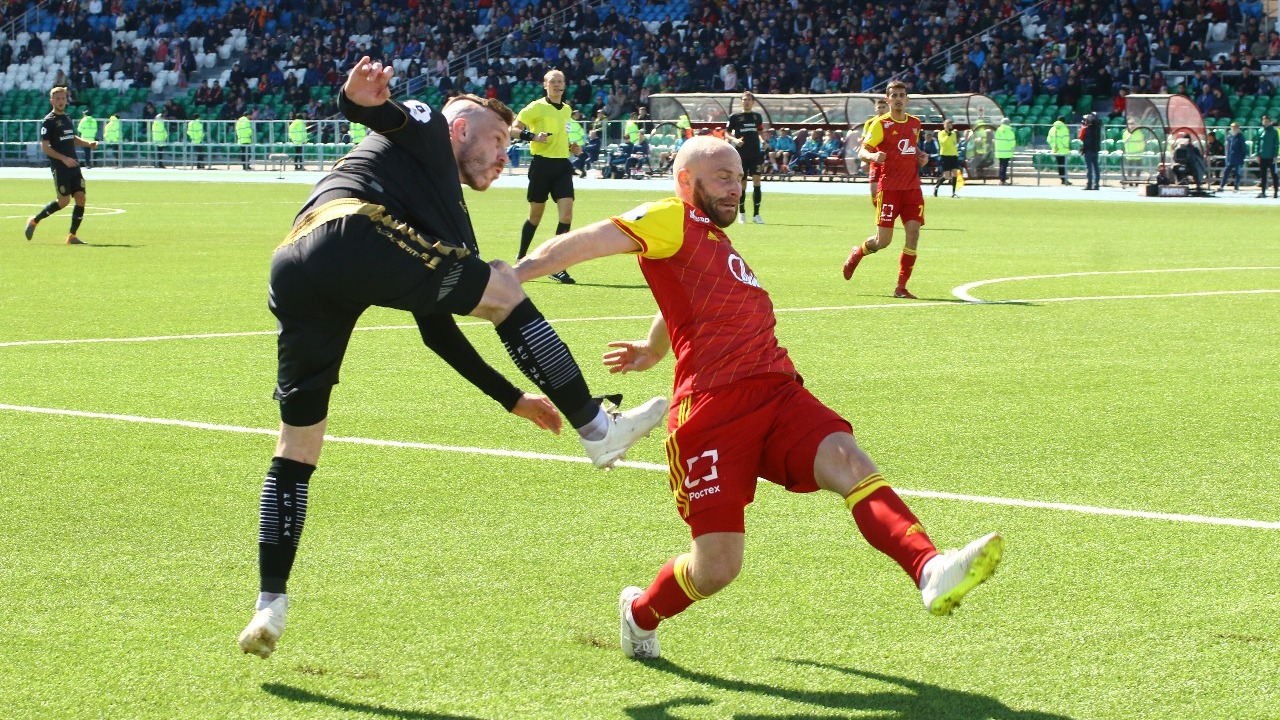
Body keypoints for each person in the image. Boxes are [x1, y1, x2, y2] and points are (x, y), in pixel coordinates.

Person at [235, 57, 668, 661]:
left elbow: (437, 331)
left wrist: (512, 398)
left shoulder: (424, 207)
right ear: (460, 128)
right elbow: (384, 113)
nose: (505, 156)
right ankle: (598, 428)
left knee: (298, 444)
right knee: (502, 283)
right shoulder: (432, 129)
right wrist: (356, 98)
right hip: (352, 234)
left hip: (296, 265)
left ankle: (269, 604)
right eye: (498, 141)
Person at [511, 136, 1003, 660]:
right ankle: (640, 614)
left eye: (740, 178)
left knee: (848, 460)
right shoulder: (669, 216)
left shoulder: (710, 240)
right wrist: (514, 274)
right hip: (711, 412)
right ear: (685, 181)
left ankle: (928, 568)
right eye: (723, 177)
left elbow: (687, 296)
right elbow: (590, 240)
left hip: (776, 390)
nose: (736, 188)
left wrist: (653, 349)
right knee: (717, 568)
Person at [842, 81, 929, 299]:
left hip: (912, 189)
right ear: (888, 99)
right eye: (894, 96)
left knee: (913, 234)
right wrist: (873, 156)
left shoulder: (915, 123)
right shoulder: (880, 124)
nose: (898, 99)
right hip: (889, 190)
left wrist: (921, 156)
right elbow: (862, 151)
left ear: (907, 99)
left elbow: (911, 145)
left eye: (902, 95)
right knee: (883, 242)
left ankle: (901, 287)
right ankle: (857, 253)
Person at [510, 69, 580, 284]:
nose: (557, 84)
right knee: (535, 217)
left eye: (560, 81)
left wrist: (571, 147)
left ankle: (556, 265)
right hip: (541, 166)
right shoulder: (536, 107)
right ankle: (521, 258)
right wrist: (532, 136)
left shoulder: (567, 109)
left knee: (566, 216)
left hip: (562, 166)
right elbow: (513, 129)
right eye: (553, 81)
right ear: (545, 85)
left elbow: (563, 136)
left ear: (564, 85)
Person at [25, 87, 98, 245]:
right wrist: (64, 159)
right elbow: (45, 147)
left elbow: (72, 138)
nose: (60, 101)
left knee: (81, 198)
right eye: (57, 99)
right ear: (52, 101)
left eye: (63, 98)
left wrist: (88, 143)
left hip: (74, 165)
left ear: (66, 100)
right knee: (64, 201)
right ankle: (34, 220)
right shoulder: (49, 121)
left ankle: (72, 236)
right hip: (60, 167)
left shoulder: (67, 118)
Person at [725, 90, 765, 224]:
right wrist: (735, 140)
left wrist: (763, 141)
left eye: (748, 99)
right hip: (741, 155)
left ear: (753, 102)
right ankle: (742, 213)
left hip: (755, 154)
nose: (746, 102)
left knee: (757, 182)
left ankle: (756, 214)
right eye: (744, 99)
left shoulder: (757, 117)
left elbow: (760, 131)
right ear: (741, 102)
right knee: (742, 184)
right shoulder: (735, 117)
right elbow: (727, 133)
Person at [859, 98, 890, 204]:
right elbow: (864, 142)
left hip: (890, 160)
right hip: (875, 159)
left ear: (888, 108)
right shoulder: (869, 123)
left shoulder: (893, 121)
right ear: (875, 109)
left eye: (883, 107)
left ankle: (887, 211)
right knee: (874, 191)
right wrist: (864, 160)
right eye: (879, 107)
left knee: (890, 192)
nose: (881, 109)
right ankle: (879, 211)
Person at [934, 118, 962, 195]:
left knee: (955, 173)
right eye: (948, 125)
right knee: (946, 176)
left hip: (953, 155)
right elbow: (944, 142)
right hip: (945, 156)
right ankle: (936, 186)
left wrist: (950, 136)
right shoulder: (941, 133)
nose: (949, 127)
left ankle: (953, 192)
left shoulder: (953, 134)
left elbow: (954, 143)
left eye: (950, 125)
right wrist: (948, 135)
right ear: (944, 126)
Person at [1218, 122, 1246, 192]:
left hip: (1238, 158)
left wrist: (1242, 157)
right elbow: (1228, 149)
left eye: (1235, 128)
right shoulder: (1229, 137)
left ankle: (1236, 187)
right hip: (1230, 159)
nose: (1234, 129)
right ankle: (1221, 186)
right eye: (1232, 128)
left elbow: (1243, 148)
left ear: (1238, 128)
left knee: (1237, 173)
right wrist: (1227, 158)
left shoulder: (1240, 137)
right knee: (1226, 172)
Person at [1257, 114, 1278, 199]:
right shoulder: (1260, 131)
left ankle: (1275, 192)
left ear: (1270, 122)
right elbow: (1257, 143)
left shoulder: (1274, 131)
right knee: (1263, 175)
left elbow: (1276, 144)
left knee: (1274, 175)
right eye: (1264, 121)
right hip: (1262, 156)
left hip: (1271, 157)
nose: (1265, 123)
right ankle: (1263, 192)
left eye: (1267, 121)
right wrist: (1257, 154)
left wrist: (1275, 156)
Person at [1046, 116, 1072, 186]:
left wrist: (1054, 146)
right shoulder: (1065, 129)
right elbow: (1066, 140)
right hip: (1063, 151)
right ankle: (1064, 179)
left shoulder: (1052, 129)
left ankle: (1062, 179)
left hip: (1055, 150)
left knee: (1060, 165)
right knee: (1064, 165)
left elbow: (1049, 139)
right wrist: (1060, 146)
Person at [1079, 113, 1102, 190]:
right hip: (1095, 149)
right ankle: (1096, 184)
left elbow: (1081, 137)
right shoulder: (1098, 129)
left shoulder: (1086, 129)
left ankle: (1089, 184)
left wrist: (1083, 126)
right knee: (1096, 167)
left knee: (1089, 168)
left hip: (1088, 150)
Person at [1121, 119, 1146, 184]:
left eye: (1133, 124)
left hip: (1138, 154)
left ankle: (1137, 181)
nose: (1131, 126)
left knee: (1139, 168)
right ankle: (1130, 181)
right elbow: (1125, 140)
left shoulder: (1138, 132)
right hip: (1130, 154)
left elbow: (1140, 140)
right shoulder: (1126, 133)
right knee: (1129, 169)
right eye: (1130, 124)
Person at [994, 117, 1016, 185]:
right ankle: (1003, 180)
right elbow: (1012, 142)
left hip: (999, 152)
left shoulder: (998, 130)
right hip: (1007, 152)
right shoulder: (1009, 131)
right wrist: (1012, 148)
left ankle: (1001, 179)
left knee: (1001, 165)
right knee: (1004, 166)